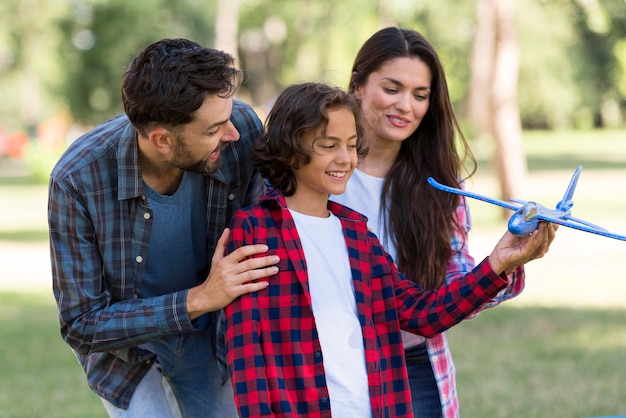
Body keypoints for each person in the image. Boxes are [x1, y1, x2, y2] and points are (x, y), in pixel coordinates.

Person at [223, 82, 555, 417]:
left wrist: (499, 262)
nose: (345, 158)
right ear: (290, 149)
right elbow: (246, 353)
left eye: (352, 146)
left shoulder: (357, 235)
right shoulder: (255, 230)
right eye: (328, 145)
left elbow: (423, 313)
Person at [48, 38, 280, 418]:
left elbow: (271, 223)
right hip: (126, 351)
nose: (233, 134)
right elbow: (81, 324)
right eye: (214, 129)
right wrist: (200, 298)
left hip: (211, 337)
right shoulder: (77, 180)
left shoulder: (240, 129)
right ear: (162, 140)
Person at [329, 27, 530, 417]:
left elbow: (454, 291)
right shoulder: (313, 169)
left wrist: (503, 264)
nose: (407, 105)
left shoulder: (440, 188)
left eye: (420, 95)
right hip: (327, 366)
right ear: (357, 85)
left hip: (413, 366)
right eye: (392, 88)